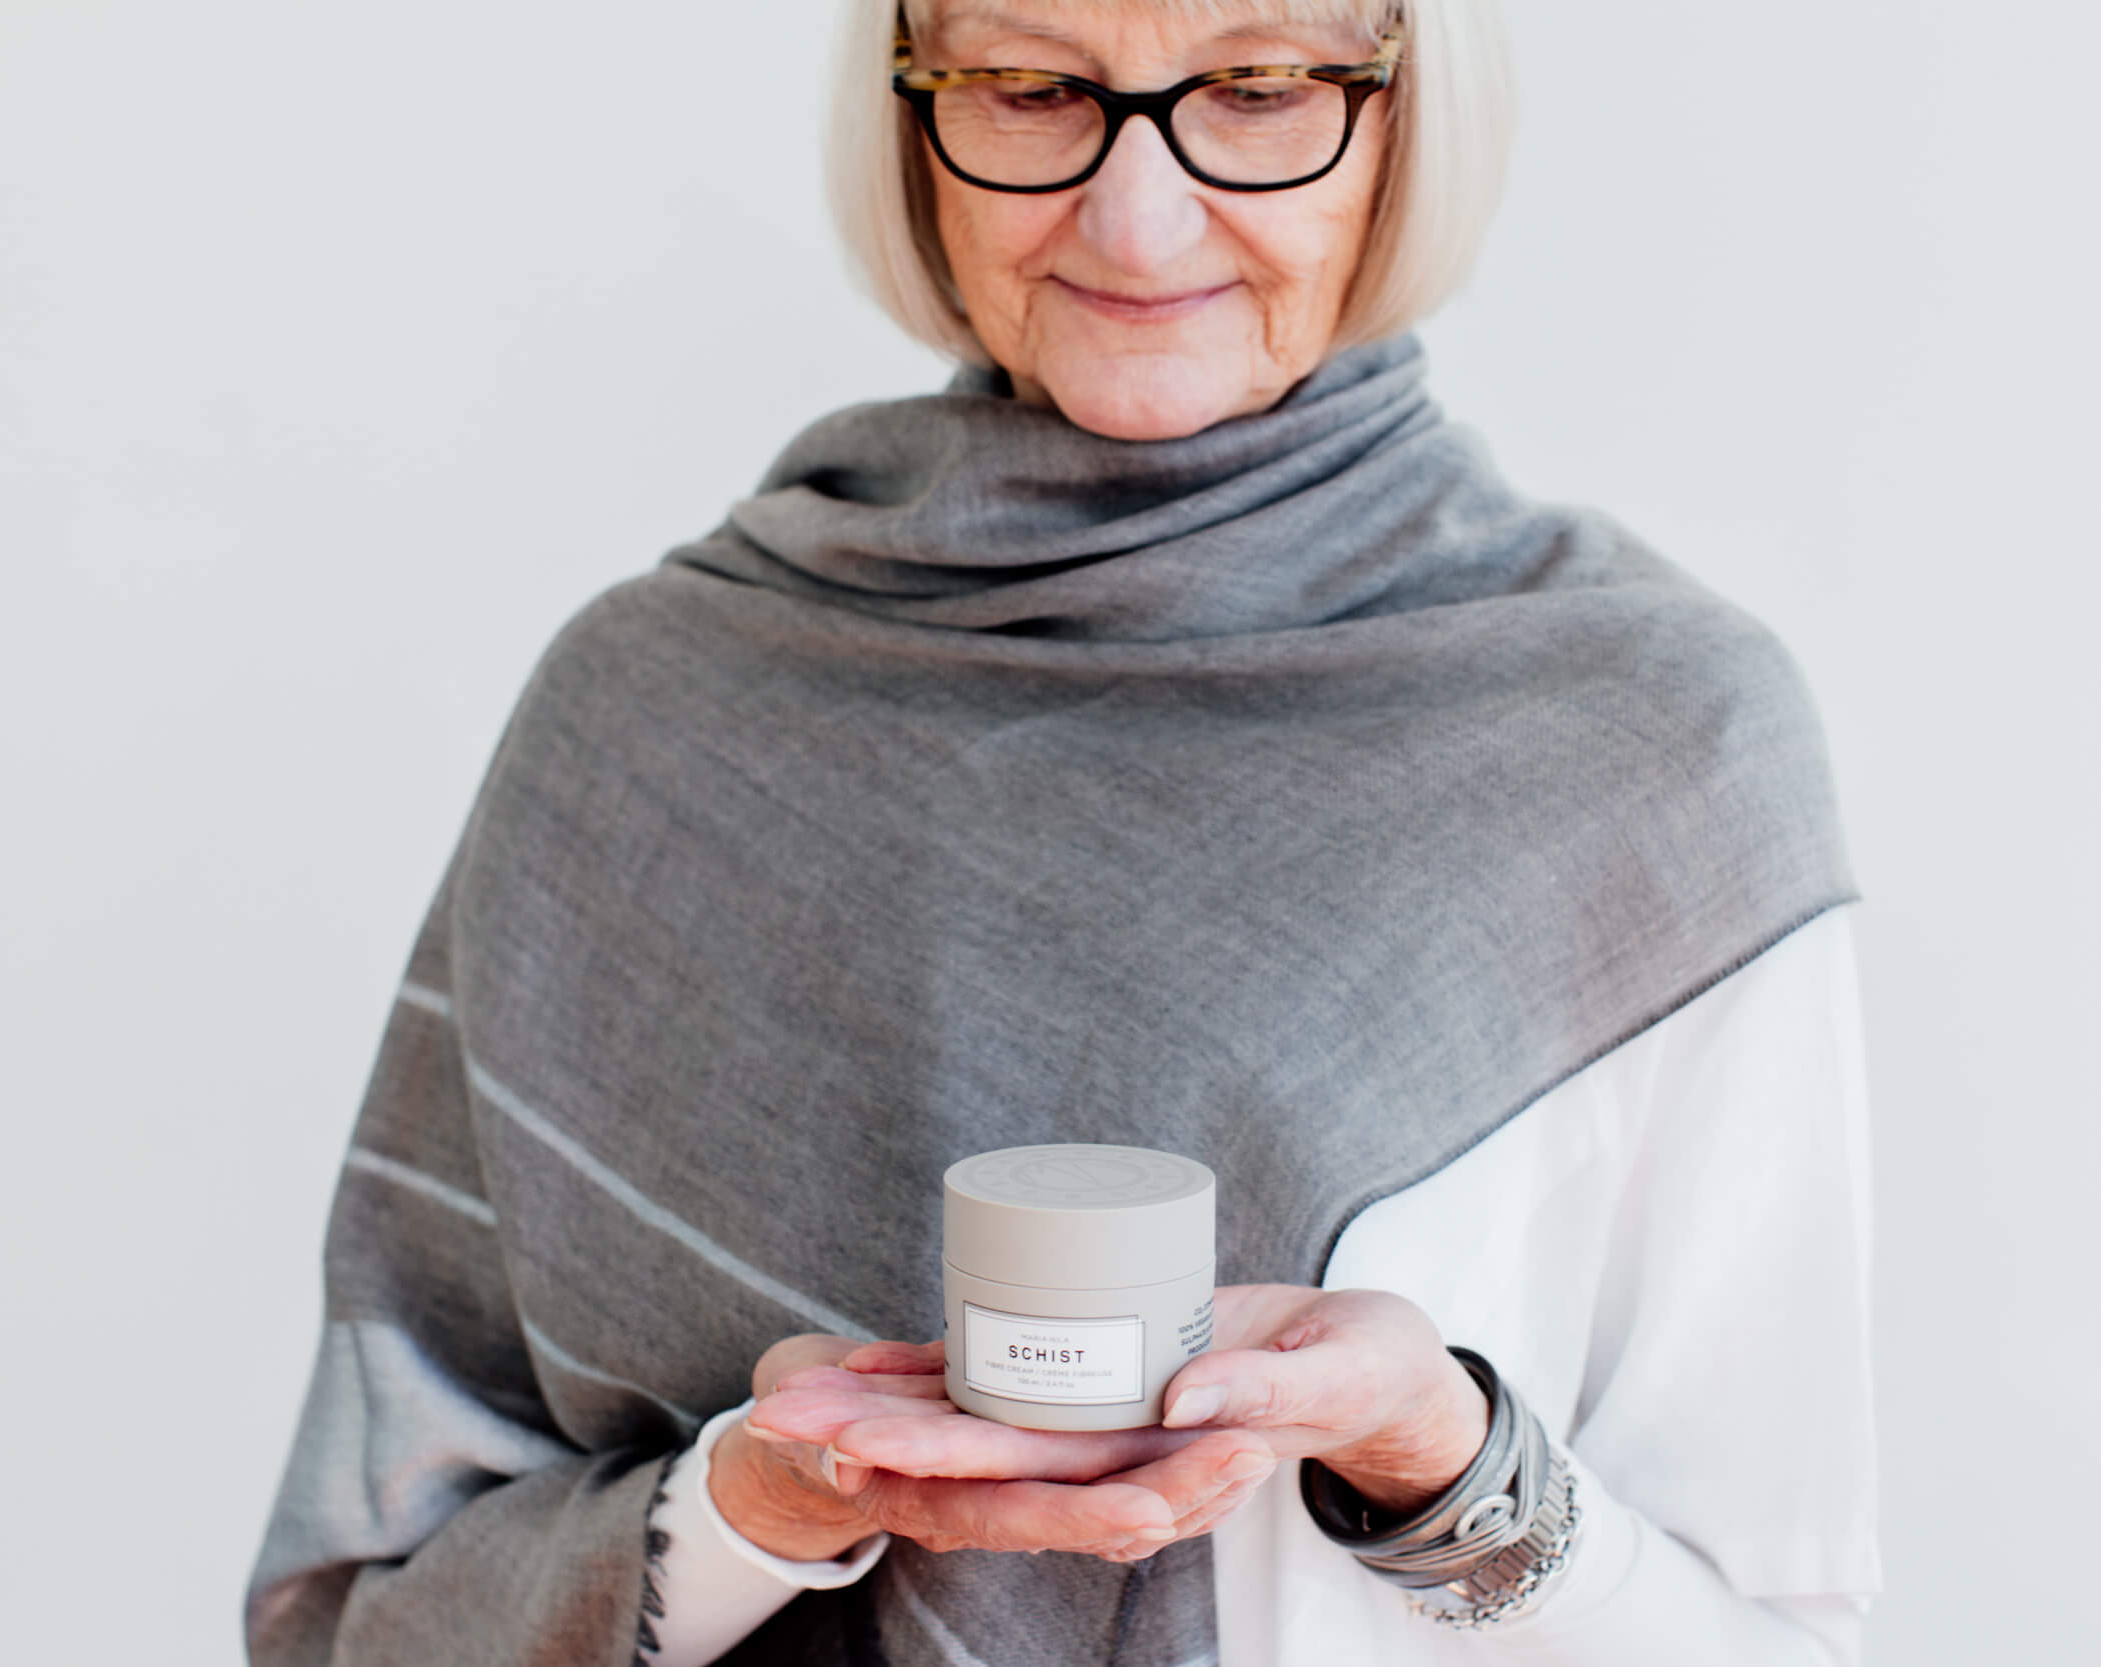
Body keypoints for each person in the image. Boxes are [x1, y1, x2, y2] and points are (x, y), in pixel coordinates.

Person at [244, 1, 1882, 1663]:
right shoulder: (646, 714)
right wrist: (755, 1509)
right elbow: (364, 1606)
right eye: (1031, 88)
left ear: (1404, 116)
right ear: (911, 118)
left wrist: (1436, 1462)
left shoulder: (1656, 751)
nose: (1136, 215)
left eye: (1257, 88)